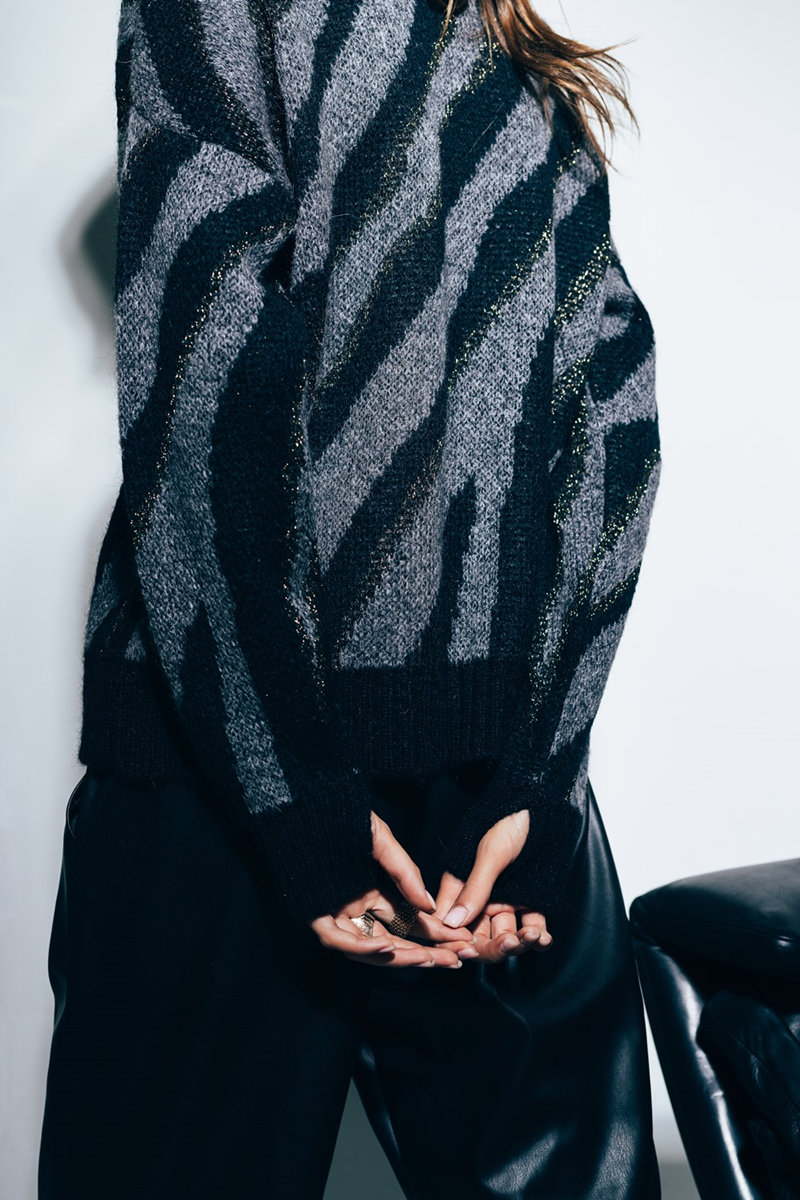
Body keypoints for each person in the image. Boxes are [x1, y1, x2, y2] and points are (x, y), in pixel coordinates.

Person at [38, 0, 663, 1196]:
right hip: (466, 804)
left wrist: (302, 794)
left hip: (237, 775)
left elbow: (205, 381)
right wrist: (537, 777)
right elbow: (613, 442)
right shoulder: (526, 77)